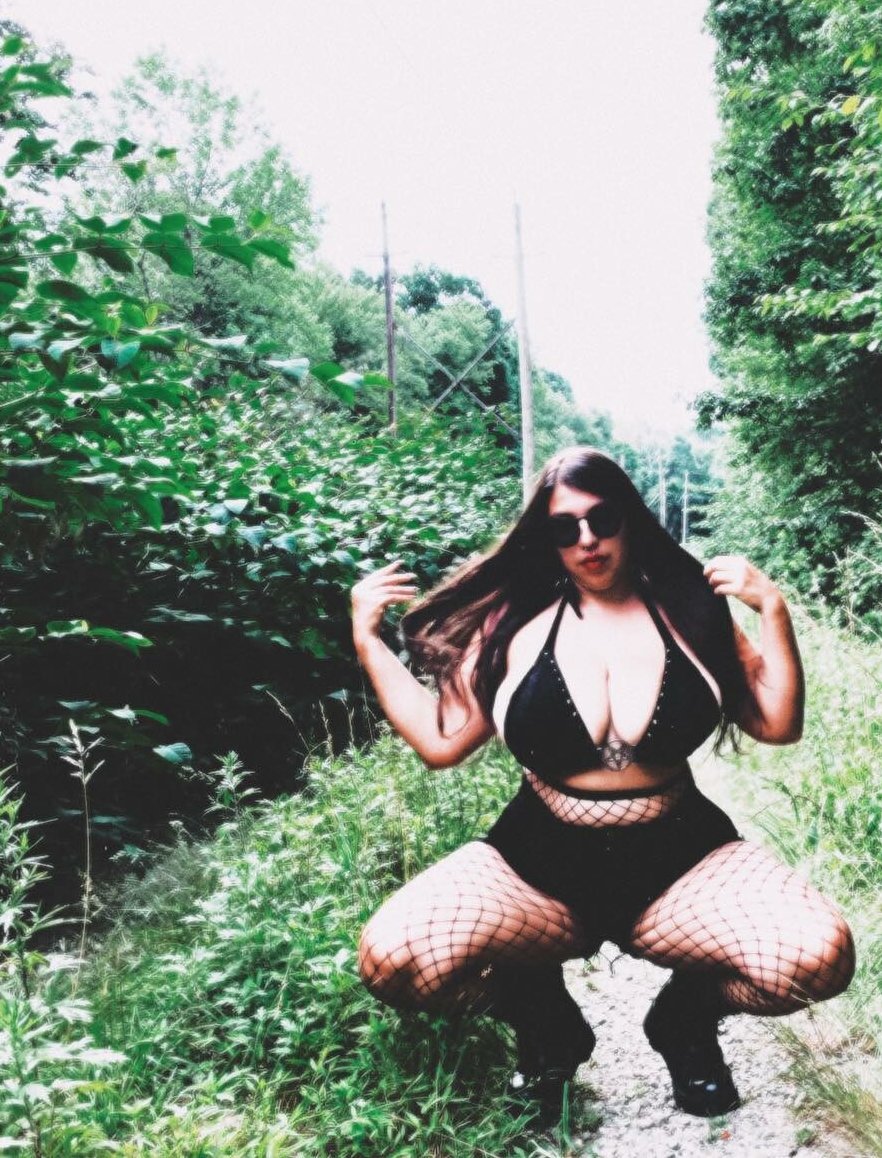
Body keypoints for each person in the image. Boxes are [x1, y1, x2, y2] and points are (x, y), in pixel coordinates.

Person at [351, 446, 855, 1123]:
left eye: (602, 519)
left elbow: (777, 723)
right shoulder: (509, 622)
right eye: (565, 528)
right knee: (394, 963)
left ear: (628, 519)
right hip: (539, 860)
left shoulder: (693, 609)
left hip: (680, 855)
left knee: (819, 960)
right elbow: (441, 742)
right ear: (547, 539)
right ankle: (546, 1025)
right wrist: (368, 641)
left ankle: (685, 1020)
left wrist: (774, 611)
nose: (587, 539)